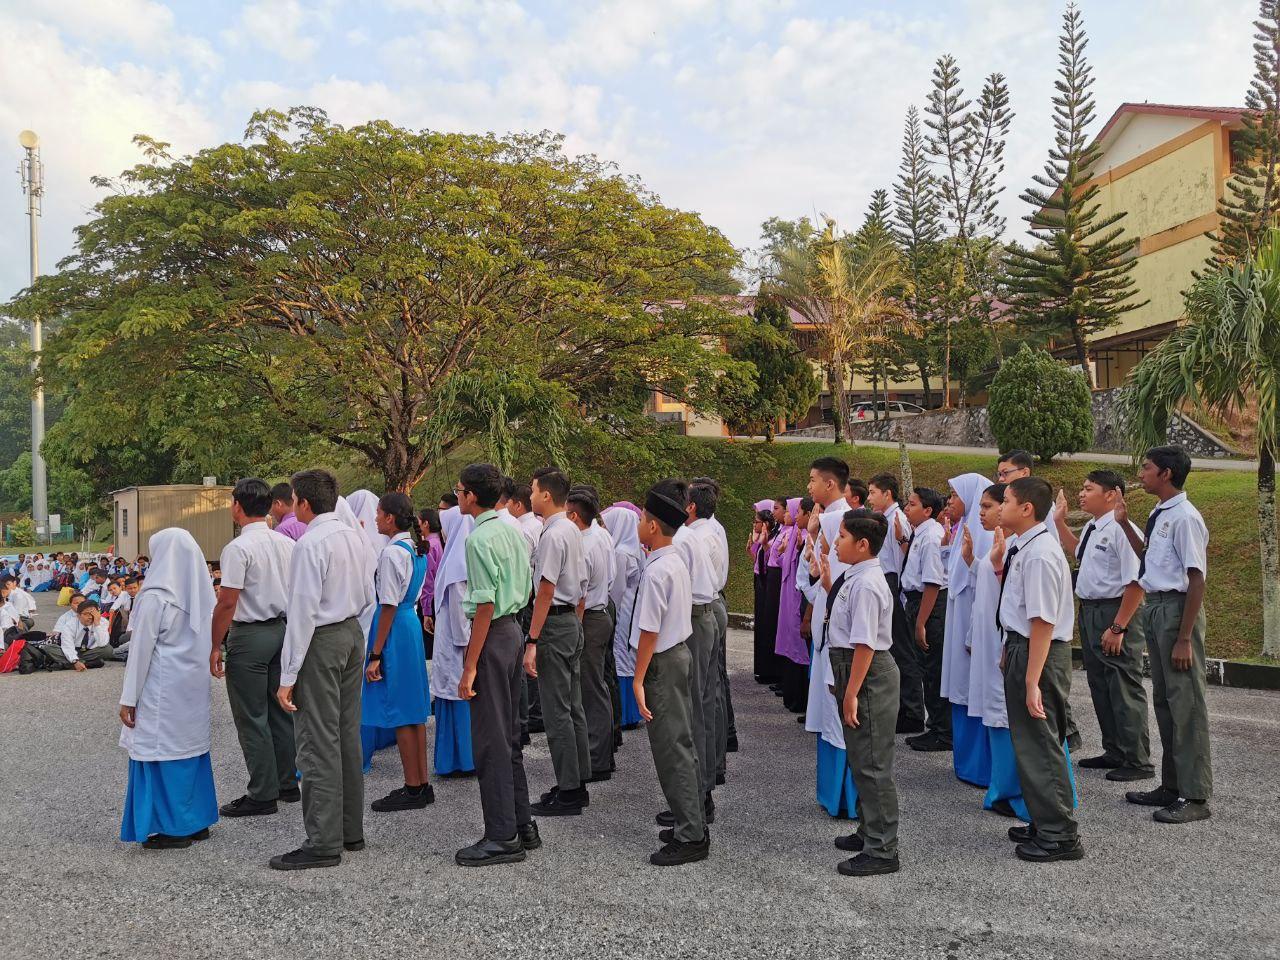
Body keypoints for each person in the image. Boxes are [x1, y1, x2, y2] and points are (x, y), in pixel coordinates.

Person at [270, 469, 375, 871]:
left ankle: (322, 840)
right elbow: (369, 592)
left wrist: (288, 675)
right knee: (347, 733)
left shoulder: (310, 542)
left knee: (316, 739)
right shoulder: (355, 535)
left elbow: (301, 611)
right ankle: (350, 829)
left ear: (303, 503)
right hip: (350, 632)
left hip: (322, 637)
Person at [1117, 445, 1212, 824]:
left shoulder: (1185, 517)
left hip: (1176, 609)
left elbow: (1196, 578)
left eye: (1147, 468)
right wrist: (1124, 523)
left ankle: (1195, 795)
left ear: (1167, 473)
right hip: (1156, 605)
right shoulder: (1160, 513)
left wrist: (1185, 636)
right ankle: (1172, 786)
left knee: (1186, 704)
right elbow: (1150, 559)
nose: (1141, 474)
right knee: (1165, 701)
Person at [456, 463, 539, 866]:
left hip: (491, 635)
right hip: (512, 631)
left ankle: (501, 834)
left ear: (472, 496)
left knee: (491, 738)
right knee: (509, 734)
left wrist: (469, 665)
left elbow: (484, 604)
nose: (457, 497)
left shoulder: (479, 539)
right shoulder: (511, 529)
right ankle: (522, 824)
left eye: (459, 491)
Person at [118, 528, 219, 850]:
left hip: (161, 687)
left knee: (160, 752)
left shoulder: (154, 597)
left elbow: (140, 653)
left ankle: (174, 828)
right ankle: (196, 819)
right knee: (190, 749)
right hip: (191, 686)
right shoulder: (202, 595)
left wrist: (128, 697)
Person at [999, 477, 1083, 863]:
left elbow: (1043, 622)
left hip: (1040, 655)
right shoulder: (1023, 546)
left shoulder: (1041, 554)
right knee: (1029, 742)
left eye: (1006, 501)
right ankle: (1043, 819)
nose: (1001, 507)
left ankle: (1060, 835)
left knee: (1041, 742)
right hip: (1023, 648)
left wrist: (1032, 679)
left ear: (1027, 508)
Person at [1055, 470, 1153, 783]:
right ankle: (1115, 750)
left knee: (1123, 685)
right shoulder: (1094, 527)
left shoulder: (1123, 530)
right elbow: (1077, 552)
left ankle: (1137, 760)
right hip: (1091, 611)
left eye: (1089, 489)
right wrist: (1058, 521)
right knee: (1101, 684)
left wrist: (1119, 626)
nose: (1082, 494)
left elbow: (1136, 582)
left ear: (1111, 494)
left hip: (1115, 612)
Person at [211, 478, 299, 818]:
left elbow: (227, 602)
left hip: (250, 633)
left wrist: (215, 644)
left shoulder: (238, 548)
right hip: (282, 628)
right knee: (279, 708)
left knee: (251, 715)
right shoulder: (285, 543)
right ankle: (287, 782)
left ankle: (262, 792)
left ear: (237, 506)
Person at [634, 479, 710, 866]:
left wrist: (637, 679)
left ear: (651, 526)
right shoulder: (672, 560)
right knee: (681, 742)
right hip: (677, 654)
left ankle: (690, 835)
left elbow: (649, 631)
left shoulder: (658, 569)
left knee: (671, 749)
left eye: (642, 518)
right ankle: (690, 820)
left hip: (662, 662)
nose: (639, 523)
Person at [823, 508, 901, 876]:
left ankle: (883, 849)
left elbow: (865, 644)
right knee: (860, 755)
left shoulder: (868, 583)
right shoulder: (857, 575)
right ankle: (869, 829)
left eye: (841, 537)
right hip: (853, 669)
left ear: (863, 544)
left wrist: (851, 692)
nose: (835, 543)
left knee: (872, 763)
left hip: (867, 674)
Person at [524, 466, 591, 816]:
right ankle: (576, 782)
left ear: (547, 495)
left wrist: (532, 639)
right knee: (572, 706)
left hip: (554, 624)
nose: (530, 495)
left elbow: (546, 590)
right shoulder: (570, 529)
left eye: (534, 490)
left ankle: (569, 790)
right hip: (570, 622)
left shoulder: (552, 534)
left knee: (557, 712)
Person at [362, 492, 434, 811]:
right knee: (414, 708)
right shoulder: (414, 549)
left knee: (403, 711)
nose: (375, 518)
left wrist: (375, 653)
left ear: (390, 517)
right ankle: (420, 782)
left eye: (379, 513)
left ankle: (412, 785)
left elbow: (388, 605)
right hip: (410, 624)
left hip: (395, 626)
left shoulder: (393, 553)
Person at [965, 484, 1031, 820]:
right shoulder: (1008, 545)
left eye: (997, 504)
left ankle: (1021, 795)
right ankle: (1004, 789)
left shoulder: (1026, 548)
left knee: (1011, 718)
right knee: (998, 715)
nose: (990, 512)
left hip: (1012, 644)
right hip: (999, 642)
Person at [802, 456, 859, 819]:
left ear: (829, 484)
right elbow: (820, 577)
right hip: (827, 623)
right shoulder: (826, 520)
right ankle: (833, 794)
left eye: (812, 480)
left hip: (839, 630)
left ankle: (846, 797)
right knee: (828, 714)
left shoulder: (842, 520)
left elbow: (840, 580)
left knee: (839, 715)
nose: (808, 487)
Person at [940, 474, 995, 786]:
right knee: (960, 688)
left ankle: (980, 765)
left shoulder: (985, 533)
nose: (950, 502)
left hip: (972, 626)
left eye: (954, 496)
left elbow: (982, 587)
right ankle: (966, 762)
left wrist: (973, 633)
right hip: (958, 620)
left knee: (973, 691)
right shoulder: (964, 529)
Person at [567, 486, 617, 782]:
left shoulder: (584, 544)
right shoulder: (601, 534)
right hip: (602, 611)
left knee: (590, 687)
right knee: (597, 683)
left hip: (589, 617)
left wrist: (575, 629)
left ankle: (597, 756)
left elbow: (580, 596)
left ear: (574, 516)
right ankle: (601, 752)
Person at [866, 473, 919, 734]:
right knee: (893, 649)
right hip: (887, 583)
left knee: (901, 650)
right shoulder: (884, 519)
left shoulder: (897, 520)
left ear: (887, 494)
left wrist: (897, 594)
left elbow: (901, 561)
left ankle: (912, 711)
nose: (869, 497)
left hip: (893, 584)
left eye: (873, 492)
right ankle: (901, 708)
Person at [900, 487, 951, 752]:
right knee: (924, 666)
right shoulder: (921, 533)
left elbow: (933, 583)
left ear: (928, 510)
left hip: (928, 606)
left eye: (912, 504)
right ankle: (937, 727)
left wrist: (921, 622)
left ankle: (942, 731)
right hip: (916, 603)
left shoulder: (931, 536)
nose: (907, 509)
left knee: (932, 669)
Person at [430, 506, 477, 776]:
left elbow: (460, 614)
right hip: (454, 641)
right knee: (453, 695)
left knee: (456, 695)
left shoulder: (457, 562)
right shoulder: (458, 556)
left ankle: (460, 759)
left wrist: (464, 645)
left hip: (456, 644)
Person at [603, 505, 645, 729]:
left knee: (621, 655)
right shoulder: (635, 549)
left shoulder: (621, 553)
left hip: (622, 609)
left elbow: (616, 589)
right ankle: (632, 711)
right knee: (630, 655)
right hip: (633, 607)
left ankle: (625, 713)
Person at [775, 497, 810, 714]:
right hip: (788, 596)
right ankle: (791, 694)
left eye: (794, 511)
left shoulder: (806, 537)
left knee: (799, 646)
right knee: (789, 641)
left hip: (797, 597)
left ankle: (800, 699)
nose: (793, 515)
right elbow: (781, 562)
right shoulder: (795, 534)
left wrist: (796, 548)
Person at [417, 508, 445, 660]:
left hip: (429, 601)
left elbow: (428, 580)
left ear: (426, 523)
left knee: (428, 648)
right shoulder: (438, 542)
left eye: (419, 521)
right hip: (438, 599)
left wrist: (426, 610)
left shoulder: (428, 546)